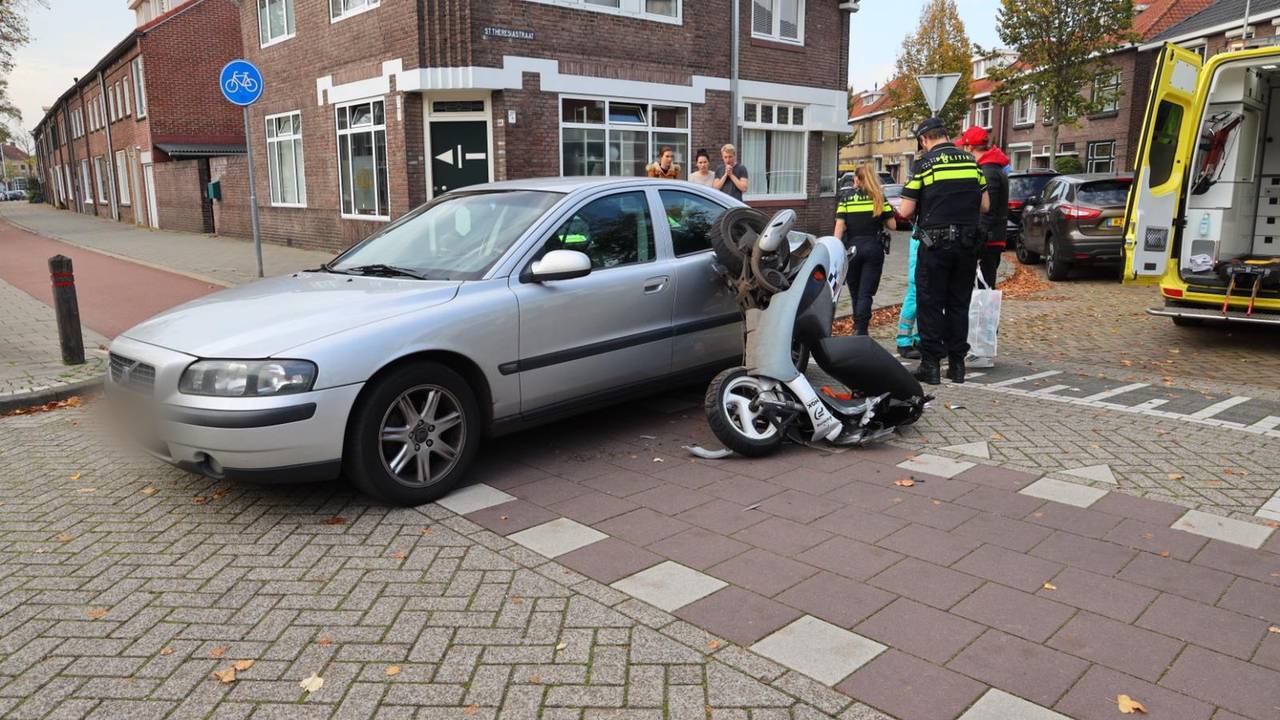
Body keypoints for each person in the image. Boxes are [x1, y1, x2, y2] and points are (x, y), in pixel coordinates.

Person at [897, 117, 990, 385]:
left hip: (935, 245)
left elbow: (906, 210)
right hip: (967, 245)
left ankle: (931, 366)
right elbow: (985, 205)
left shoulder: (924, 164)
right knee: (958, 304)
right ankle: (957, 366)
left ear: (924, 139)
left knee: (930, 304)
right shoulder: (971, 162)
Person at [834, 164, 896, 335]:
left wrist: (834, 251)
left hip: (852, 250)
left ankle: (857, 327)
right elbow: (893, 225)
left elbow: (839, 229)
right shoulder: (879, 198)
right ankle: (862, 329)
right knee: (866, 292)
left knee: (855, 292)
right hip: (873, 248)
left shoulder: (846, 199)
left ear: (857, 179)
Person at [959, 126, 1010, 293]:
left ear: (970, 148)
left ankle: (981, 320)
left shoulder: (988, 172)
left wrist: (977, 242)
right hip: (989, 239)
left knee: (983, 289)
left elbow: (987, 210)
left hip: (988, 241)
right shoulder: (991, 168)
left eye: (964, 148)